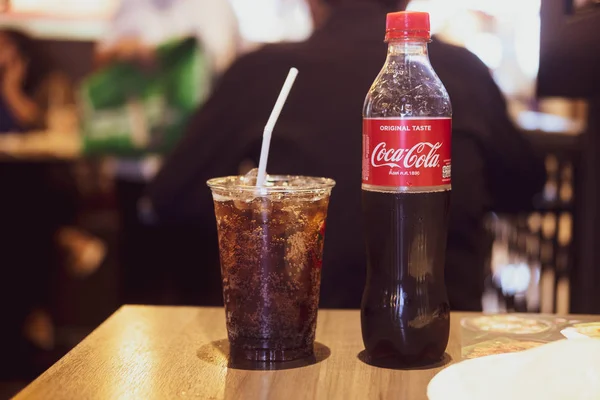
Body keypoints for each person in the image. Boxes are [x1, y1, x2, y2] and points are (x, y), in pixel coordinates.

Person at [145, 0, 547, 310]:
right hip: (444, 329)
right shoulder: (464, 71)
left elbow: (170, 195)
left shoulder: (258, 71)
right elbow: (524, 186)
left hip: (302, 325)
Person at [92, 0, 241, 305]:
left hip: (193, 165)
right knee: (138, 277)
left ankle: (192, 351)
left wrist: (165, 57)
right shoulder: (131, 7)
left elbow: (226, 71)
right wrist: (123, 53)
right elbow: (100, 62)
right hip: (134, 162)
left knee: (196, 279)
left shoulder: (214, 9)